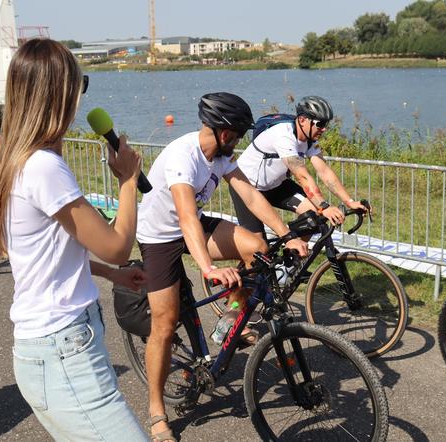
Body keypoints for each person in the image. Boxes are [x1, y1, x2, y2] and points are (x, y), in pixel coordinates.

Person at [0, 39, 148, 441]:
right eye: (80, 86)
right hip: (63, 350)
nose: (80, 99)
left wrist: (110, 275)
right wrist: (128, 181)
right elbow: (116, 244)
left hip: (54, 347)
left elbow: (46, 255)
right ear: (59, 94)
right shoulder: (44, 167)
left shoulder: (15, 158)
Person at [136, 92, 308, 441]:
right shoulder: (183, 157)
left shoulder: (221, 155)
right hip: (159, 237)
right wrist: (209, 268)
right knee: (165, 325)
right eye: (241, 134)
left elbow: (250, 194)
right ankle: (156, 410)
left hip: (193, 226)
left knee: (255, 246)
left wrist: (286, 233)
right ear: (226, 133)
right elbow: (184, 217)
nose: (242, 141)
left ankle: (231, 321)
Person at [232, 95, 368, 239]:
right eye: (320, 124)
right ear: (302, 120)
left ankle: (293, 255)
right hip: (247, 187)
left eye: (326, 124)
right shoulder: (283, 135)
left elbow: (324, 171)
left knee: (314, 219)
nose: (324, 129)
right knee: (257, 247)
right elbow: (302, 176)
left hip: (276, 186)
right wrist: (325, 207)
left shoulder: (309, 139)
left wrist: (350, 202)